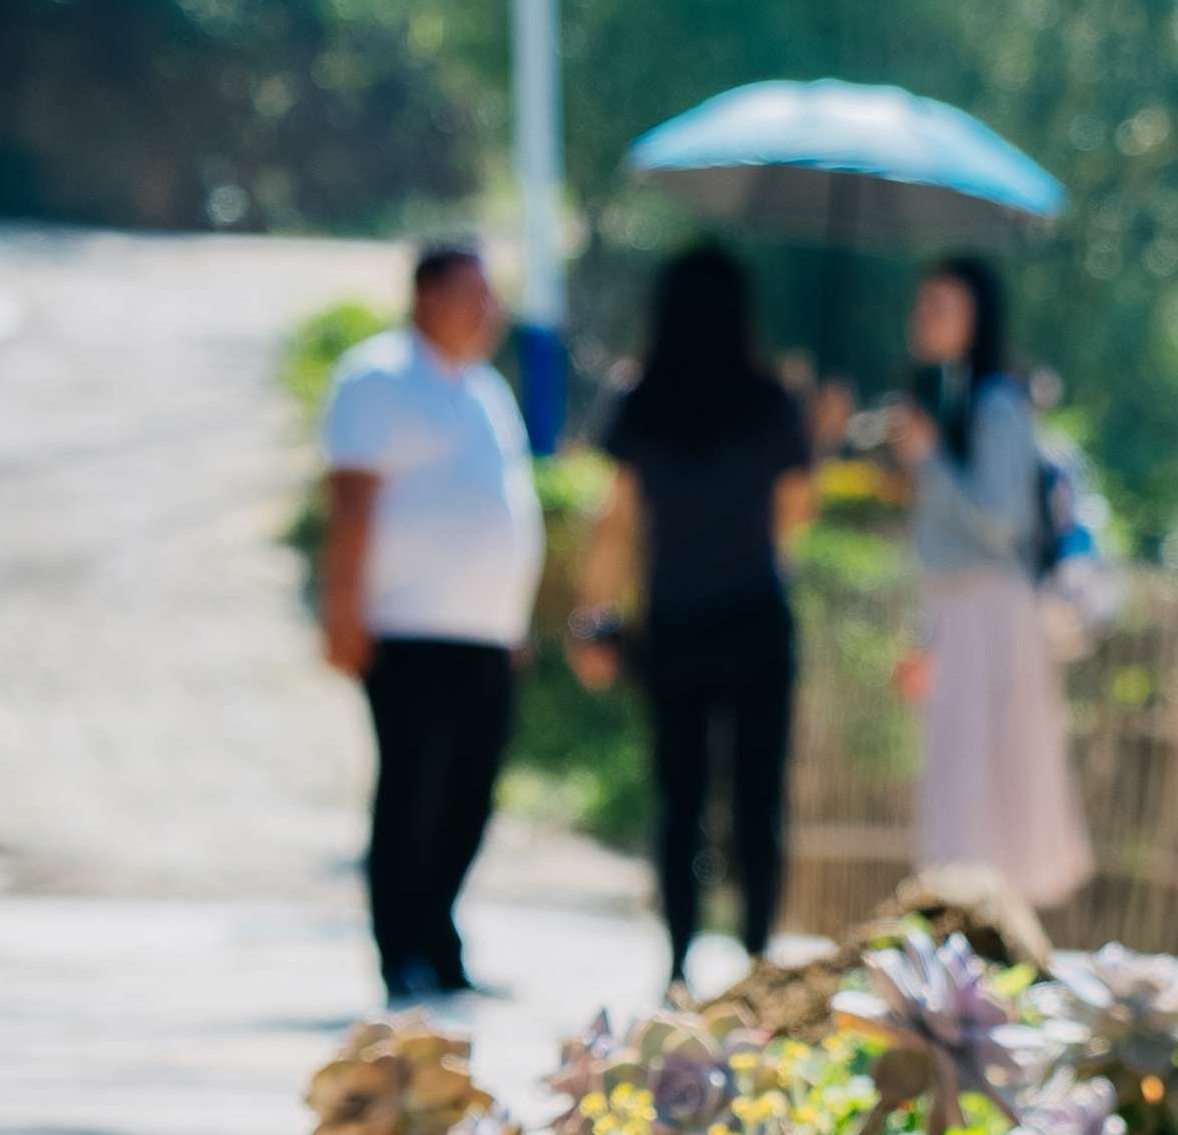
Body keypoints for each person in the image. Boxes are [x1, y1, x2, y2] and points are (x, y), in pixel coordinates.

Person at [567, 246, 814, 984]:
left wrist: (592, 614)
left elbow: (616, 520)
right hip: (756, 622)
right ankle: (758, 959)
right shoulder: (774, 401)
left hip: (674, 622)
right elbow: (795, 516)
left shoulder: (640, 399)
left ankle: (677, 966)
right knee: (758, 800)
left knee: (679, 803)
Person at [319, 244, 545, 1007]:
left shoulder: (486, 392)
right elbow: (351, 503)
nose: (488, 312)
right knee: (413, 790)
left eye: (491, 298)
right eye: (471, 295)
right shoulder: (377, 378)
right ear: (425, 296)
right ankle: (402, 952)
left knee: (471, 795)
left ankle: (441, 941)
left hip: (484, 634)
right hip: (407, 628)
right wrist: (342, 607)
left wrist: (512, 618)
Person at [888, 253, 1090, 911]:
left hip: (992, 615)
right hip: (957, 615)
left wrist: (929, 461)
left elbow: (1001, 523)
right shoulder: (949, 399)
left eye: (942, 307)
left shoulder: (998, 404)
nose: (925, 319)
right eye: (923, 306)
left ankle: (984, 939)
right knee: (957, 780)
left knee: (988, 785)